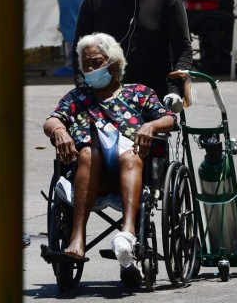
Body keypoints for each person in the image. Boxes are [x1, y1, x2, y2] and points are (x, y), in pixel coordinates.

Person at [43, 33, 176, 286]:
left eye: (96, 62)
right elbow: (52, 119)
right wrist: (59, 130)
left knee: (130, 153)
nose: (90, 69)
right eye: (85, 64)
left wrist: (150, 126)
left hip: (131, 170)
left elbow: (168, 118)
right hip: (89, 173)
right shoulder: (78, 97)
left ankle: (127, 233)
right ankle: (77, 238)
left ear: (113, 64)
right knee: (87, 152)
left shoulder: (138, 93)